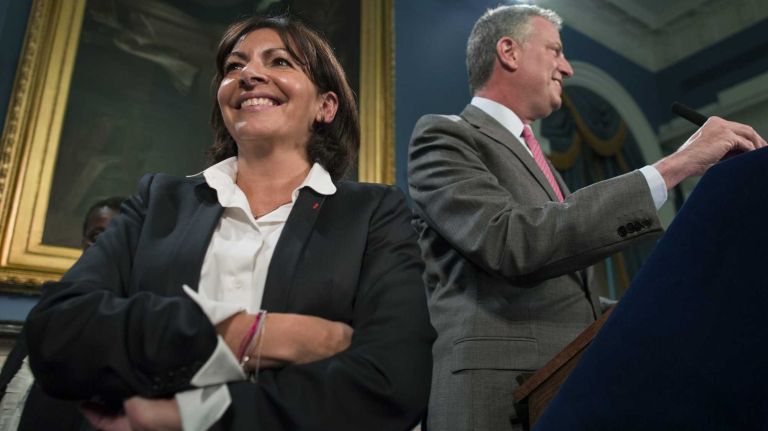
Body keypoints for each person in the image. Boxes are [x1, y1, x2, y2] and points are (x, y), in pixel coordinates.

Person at [25, 15, 434, 431]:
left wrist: (187, 418)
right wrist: (255, 333)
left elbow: (394, 382)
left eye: (279, 62)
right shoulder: (158, 201)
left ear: (325, 106)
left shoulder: (373, 213)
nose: (249, 74)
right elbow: (57, 331)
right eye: (234, 66)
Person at [407, 5, 766, 430]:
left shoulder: (544, 166)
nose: (568, 68)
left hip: (571, 393)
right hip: (496, 401)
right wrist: (675, 166)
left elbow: (572, 298)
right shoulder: (445, 136)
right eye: (555, 51)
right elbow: (510, 241)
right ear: (509, 51)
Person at [0, 196, 124, 431]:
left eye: (113, 237)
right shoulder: (52, 304)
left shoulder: (126, 316)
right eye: (96, 237)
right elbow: (11, 381)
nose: (102, 247)